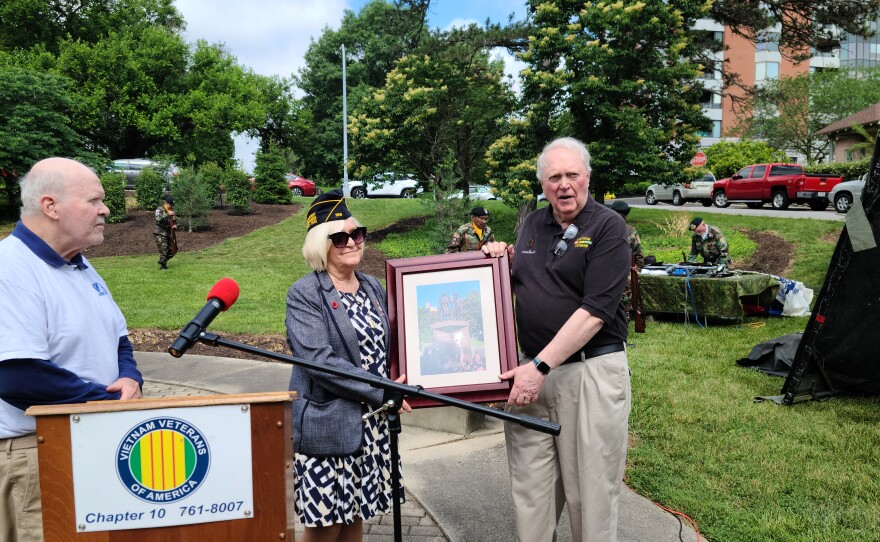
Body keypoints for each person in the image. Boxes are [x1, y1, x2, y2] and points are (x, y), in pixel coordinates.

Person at [483, 137, 631, 542]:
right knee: (531, 495)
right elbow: (517, 283)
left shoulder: (608, 227)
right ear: (542, 184)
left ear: (587, 177)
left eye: (572, 175)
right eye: (554, 177)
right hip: (531, 378)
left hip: (588, 375)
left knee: (591, 499)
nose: (564, 185)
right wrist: (497, 261)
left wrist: (539, 367)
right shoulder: (533, 223)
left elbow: (596, 311)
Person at [0, 157, 144, 542]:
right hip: (37, 451)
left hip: (90, 437)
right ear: (51, 206)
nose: (106, 209)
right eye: (94, 200)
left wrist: (129, 378)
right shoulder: (10, 269)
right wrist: (107, 402)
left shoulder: (81, 267)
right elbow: (17, 376)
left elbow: (119, 340)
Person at [286, 189, 411, 542]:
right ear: (319, 245)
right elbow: (320, 362)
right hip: (329, 425)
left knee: (354, 518)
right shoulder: (305, 293)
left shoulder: (372, 285)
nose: (352, 242)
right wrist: (382, 391)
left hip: (370, 427)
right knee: (327, 528)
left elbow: (397, 342)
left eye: (357, 233)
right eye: (340, 237)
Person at [608, 200, 645, 315]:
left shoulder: (607, 228)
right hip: (626, 271)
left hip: (610, 270)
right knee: (625, 297)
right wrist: (638, 269)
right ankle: (625, 317)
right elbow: (638, 252)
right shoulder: (631, 230)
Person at [154, 194, 177, 269]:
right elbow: (158, 219)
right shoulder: (159, 209)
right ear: (166, 203)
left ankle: (162, 261)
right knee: (164, 249)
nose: (172, 206)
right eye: (171, 204)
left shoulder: (171, 211)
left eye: (172, 205)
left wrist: (175, 225)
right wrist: (167, 214)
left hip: (168, 232)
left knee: (172, 250)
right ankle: (163, 265)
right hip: (159, 233)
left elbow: (174, 220)